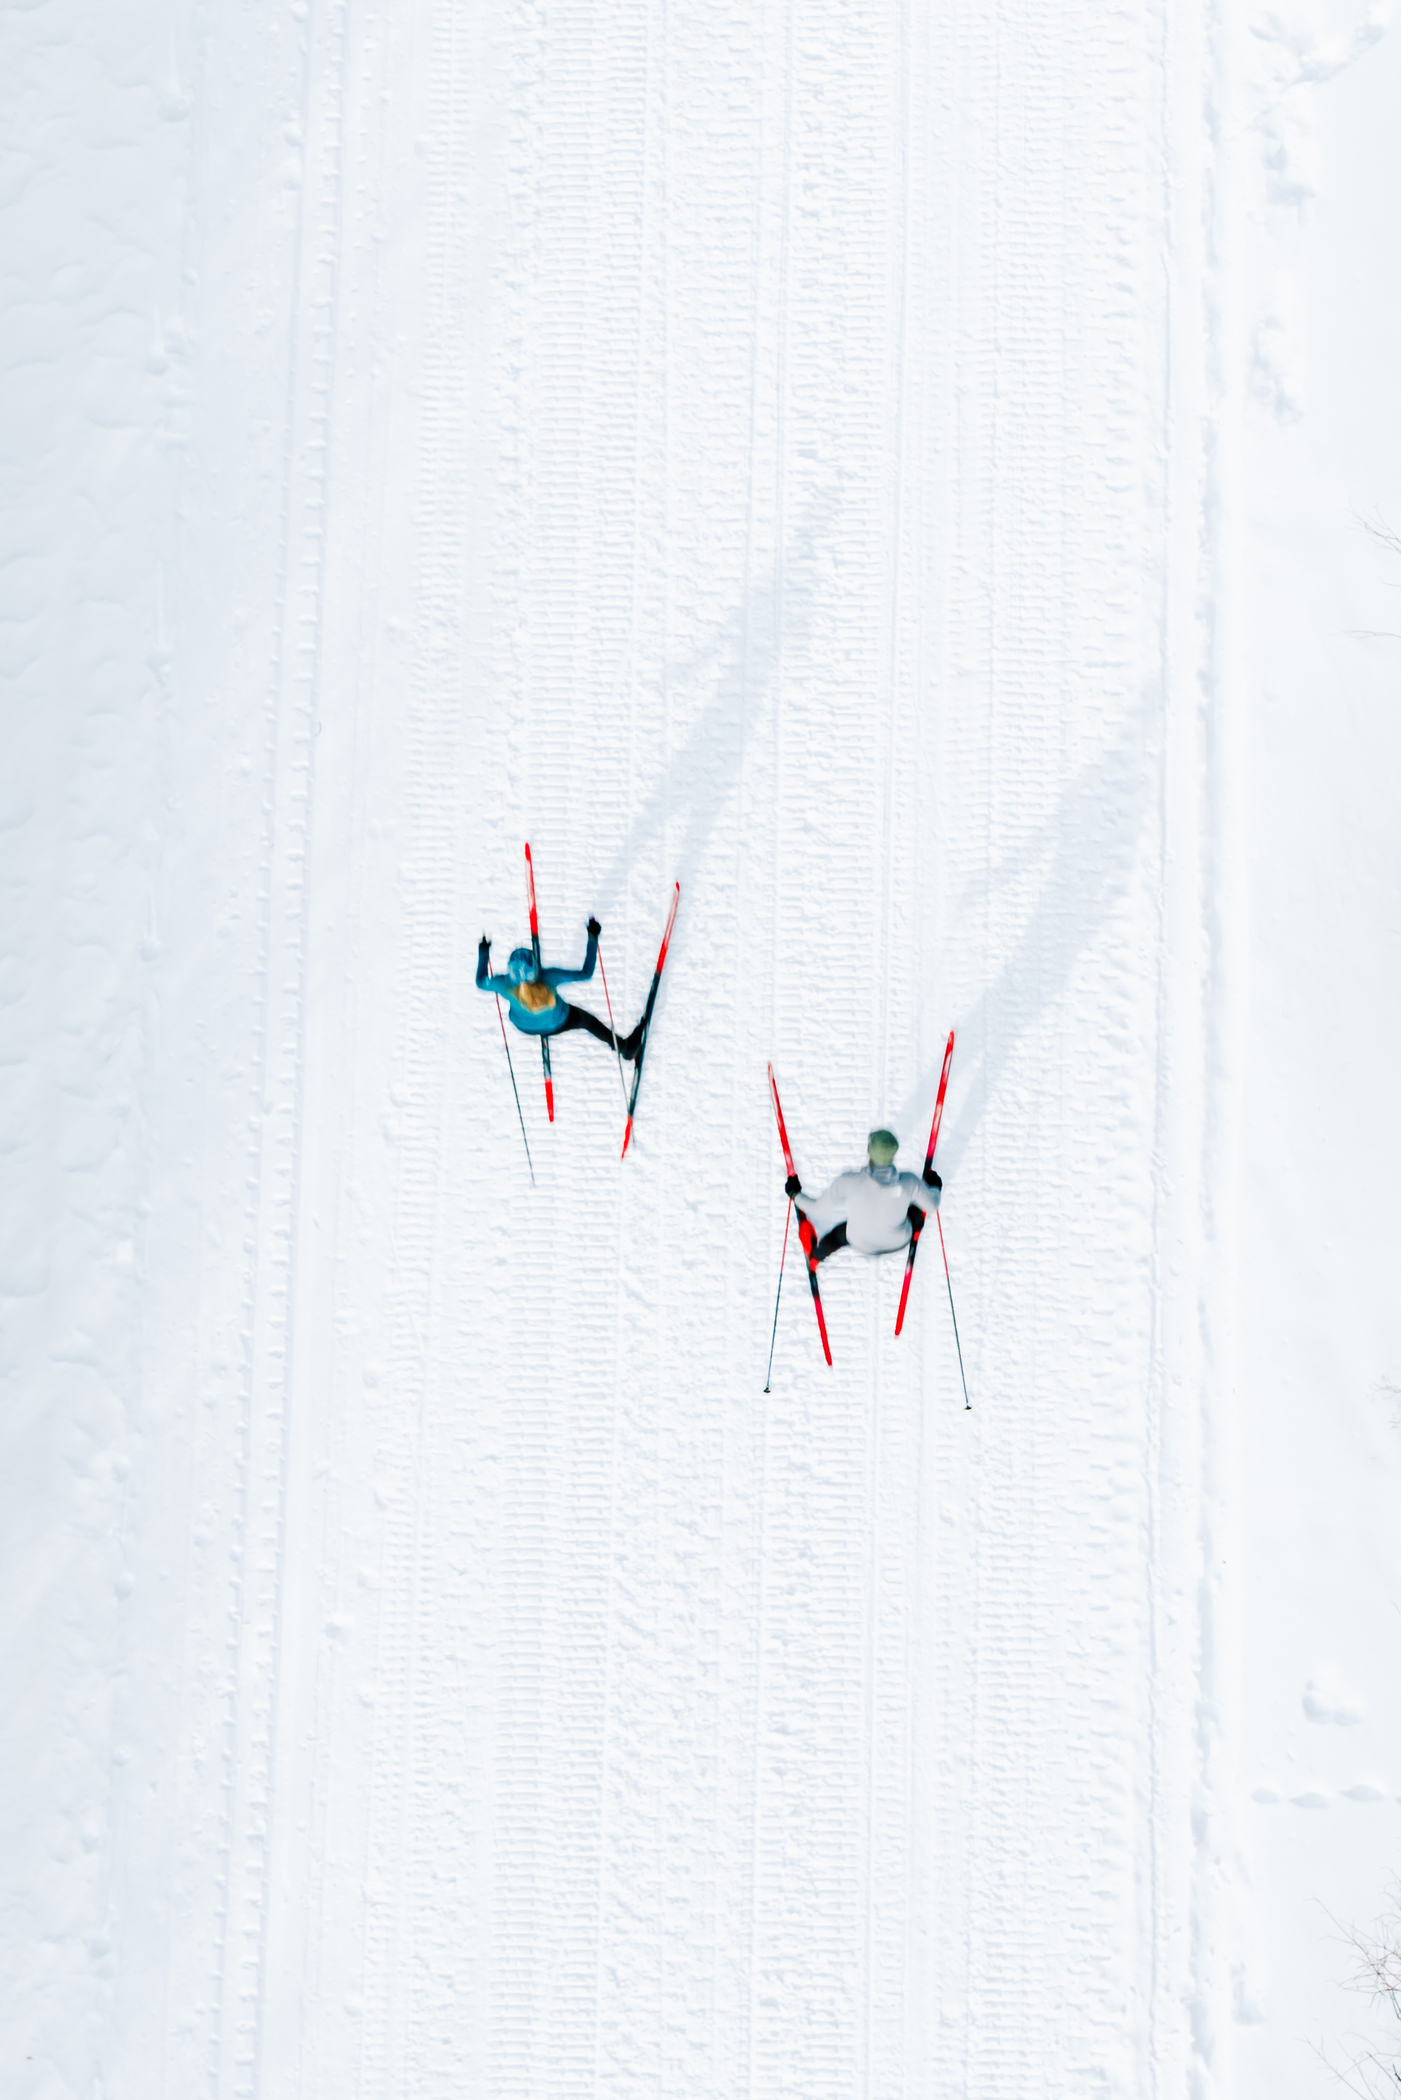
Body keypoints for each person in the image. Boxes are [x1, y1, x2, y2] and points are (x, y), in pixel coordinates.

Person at [477, 919, 643, 1057]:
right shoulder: (550, 977)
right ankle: (624, 1048)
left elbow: (481, 982)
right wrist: (593, 937)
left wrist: (483, 952)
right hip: (559, 1022)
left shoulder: (503, 983)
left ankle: (539, 1027)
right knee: (587, 1021)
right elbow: (586, 973)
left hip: (524, 1027)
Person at [785, 1128, 941, 1263]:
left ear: (869, 1151)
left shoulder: (849, 1182)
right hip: (899, 1241)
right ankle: (913, 1232)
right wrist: (934, 1187)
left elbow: (816, 1209)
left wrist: (794, 1193)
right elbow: (932, 1205)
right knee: (916, 1210)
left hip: (859, 1242)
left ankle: (815, 1258)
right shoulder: (910, 1182)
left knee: (836, 1236)